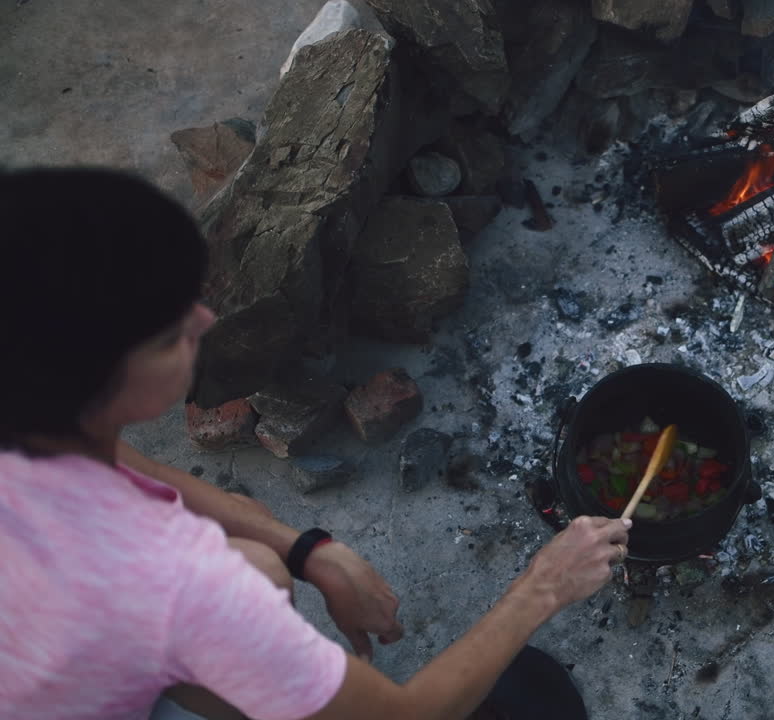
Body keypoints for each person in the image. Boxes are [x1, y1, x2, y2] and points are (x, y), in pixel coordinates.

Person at [0, 167, 631, 720]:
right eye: (170, 334)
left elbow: (142, 474)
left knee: (262, 567)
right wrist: (544, 585)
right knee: (246, 587)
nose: (204, 322)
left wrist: (311, 550)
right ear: (91, 384)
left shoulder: (31, 412)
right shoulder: (173, 585)